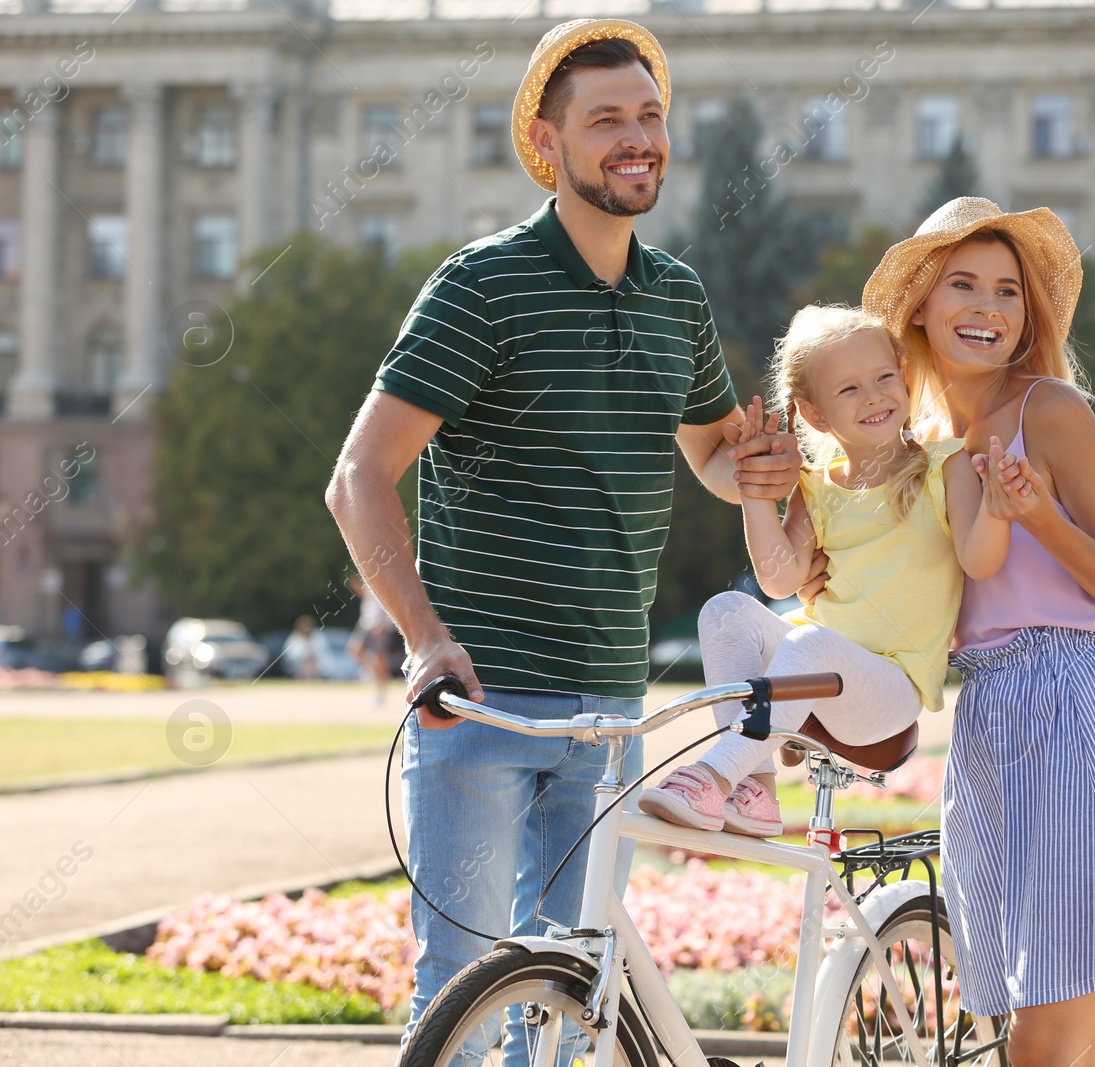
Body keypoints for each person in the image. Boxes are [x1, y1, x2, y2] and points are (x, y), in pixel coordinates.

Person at [324, 19, 801, 1065]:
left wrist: (753, 470)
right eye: (606, 121)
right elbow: (357, 475)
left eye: (649, 116)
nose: (637, 139)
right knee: (459, 1002)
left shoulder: (676, 294)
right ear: (549, 144)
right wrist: (421, 635)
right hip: (483, 705)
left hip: (609, 713)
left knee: (572, 1015)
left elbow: (715, 455)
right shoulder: (481, 284)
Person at [863, 197, 1095, 1067]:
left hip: (1076, 705)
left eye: (1007, 291)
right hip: (987, 724)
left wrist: (1042, 517)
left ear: (1027, 317)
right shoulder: (921, 444)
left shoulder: (1050, 411)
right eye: (962, 285)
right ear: (922, 309)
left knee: (1044, 1039)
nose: (987, 308)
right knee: (1040, 1033)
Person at [639, 305, 1012, 836]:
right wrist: (754, 491)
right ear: (814, 415)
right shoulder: (816, 486)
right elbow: (778, 581)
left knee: (812, 644)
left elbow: (980, 560)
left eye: (885, 378)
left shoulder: (944, 465)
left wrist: (998, 506)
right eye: (849, 389)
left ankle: (716, 774)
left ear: (905, 380)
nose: (875, 396)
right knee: (725, 611)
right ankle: (755, 790)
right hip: (818, 674)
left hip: (888, 691)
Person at [345, 577, 395, 702]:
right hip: (366, 623)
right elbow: (367, 597)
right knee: (355, 650)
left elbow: (386, 604)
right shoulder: (370, 580)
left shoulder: (384, 582)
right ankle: (370, 671)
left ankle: (381, 692)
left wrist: (382, 625)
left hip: (378, 625)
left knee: (380, 658)